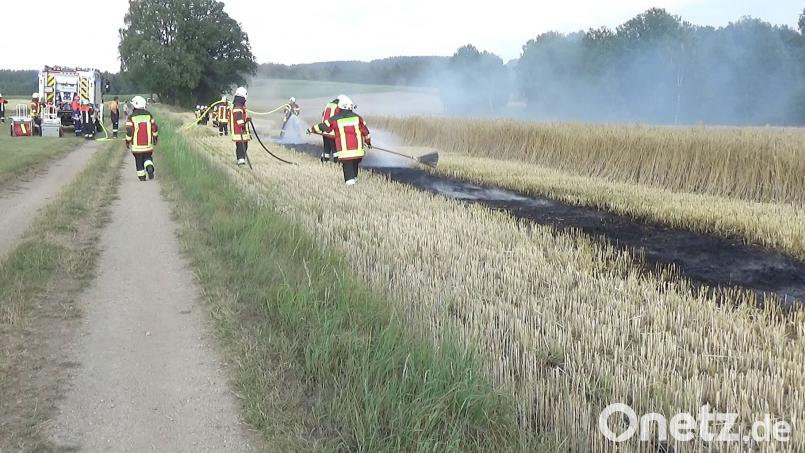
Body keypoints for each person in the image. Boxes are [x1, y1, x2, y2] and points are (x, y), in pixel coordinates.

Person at [307, 96, 371, 185]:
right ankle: (354, 178)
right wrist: (368, 142)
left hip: (345, 152)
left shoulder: (335, 119)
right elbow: (366, 132)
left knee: (348, 166)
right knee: (354, 163)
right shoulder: (358, 118)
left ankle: (350, 184)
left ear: (340, 107)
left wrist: (311, 130)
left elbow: (323, 126)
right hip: (358, 151)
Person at [125, 96, 159, 181]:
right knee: (148, 157)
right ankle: (149, 166)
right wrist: (155, 138)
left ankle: (142, 177)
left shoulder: (131, 117)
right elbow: (154, 128)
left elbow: (129, 131)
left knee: (139, 161)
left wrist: (127, 141)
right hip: (148, 145)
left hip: (137, 147)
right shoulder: (149, 115)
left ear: (135, 106)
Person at [318, 96, 341, 162]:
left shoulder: (328, 105)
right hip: (332, 131)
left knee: (326, 148)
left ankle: (324, 162)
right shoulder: (338, 107)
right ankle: (337, 162)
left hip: (324, 130)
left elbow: (323, 114)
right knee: (335, 149)